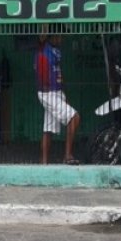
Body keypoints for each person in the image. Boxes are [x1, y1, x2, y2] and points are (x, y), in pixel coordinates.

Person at [34, 24, 80, 164]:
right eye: (60, 35)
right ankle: (67, 155)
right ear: (54, 35)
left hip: (56, 92)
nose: (62, 38)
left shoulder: (55, 50)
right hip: (49, 93)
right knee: (75, 117)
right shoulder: (43, 50)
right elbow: (42, 75)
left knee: (48, 129)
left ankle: (44, 163)